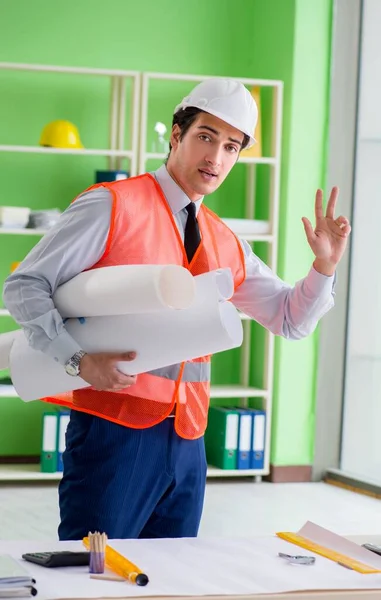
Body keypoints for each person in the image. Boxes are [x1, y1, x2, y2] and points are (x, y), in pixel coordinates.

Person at [3, 78, 351, 541]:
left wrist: (324, 266)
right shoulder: (114, 206)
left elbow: (290, 319)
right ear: (176, 134)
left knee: (172, 579)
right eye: (206, 137)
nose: (216, 158)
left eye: (231, 147)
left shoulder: (224, 239)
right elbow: (26, 284)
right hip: (115, 433)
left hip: (188, 441)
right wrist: (77, 359)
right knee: (96, 576)